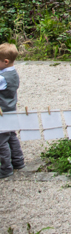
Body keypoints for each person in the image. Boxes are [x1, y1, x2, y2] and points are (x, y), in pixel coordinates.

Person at [0, 43, 24, 179]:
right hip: (11, 110)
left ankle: (6, 168)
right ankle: (18, 161)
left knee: (1, 141)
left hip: (2, 113)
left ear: (5, 61)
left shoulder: (2, 78)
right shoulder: (13, 73)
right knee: (11, 136)